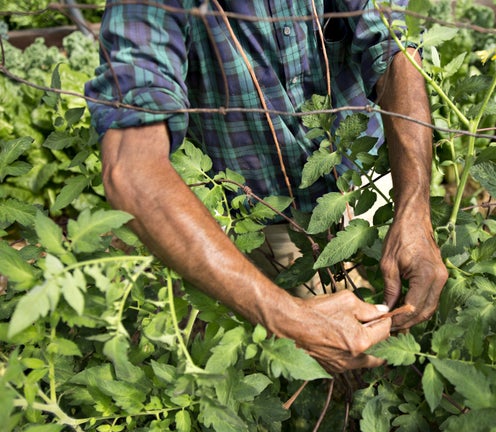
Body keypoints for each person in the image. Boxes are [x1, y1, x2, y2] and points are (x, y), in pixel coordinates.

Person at [85, 0, 447, 373]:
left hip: (368, 178)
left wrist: (413, 207)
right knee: (303, 373)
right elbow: (132, 169)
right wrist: (290, 320)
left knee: (389, 356)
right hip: (260, 220)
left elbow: (391, 47)